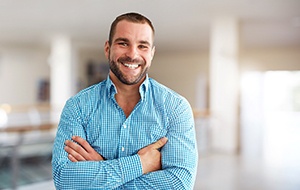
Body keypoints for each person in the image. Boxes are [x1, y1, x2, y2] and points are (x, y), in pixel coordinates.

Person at [52, 12, 198, 189]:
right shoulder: (78, 107)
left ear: (152, 53)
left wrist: (102, 169)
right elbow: (64, 180)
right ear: (108, 49)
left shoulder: (175, 107)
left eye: (142, 46)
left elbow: (179, 184)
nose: (132, 54)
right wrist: (141, 164)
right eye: (123, 43)